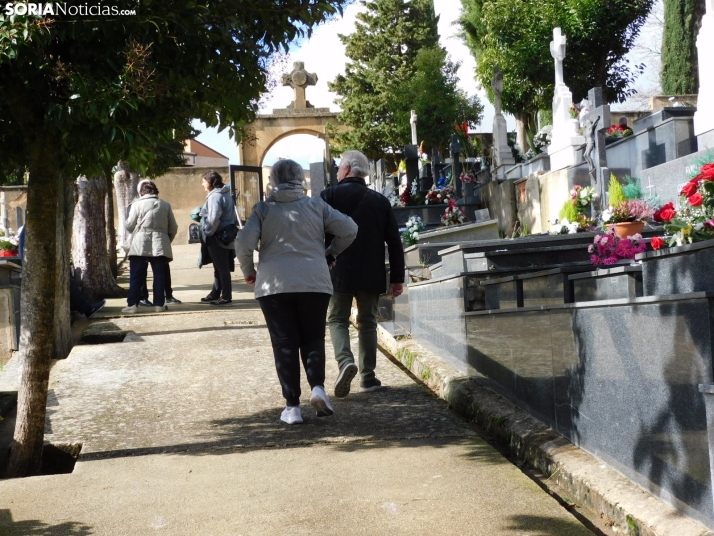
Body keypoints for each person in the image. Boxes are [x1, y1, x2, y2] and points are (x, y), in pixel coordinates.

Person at [236, 159, 357, 425]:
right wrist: (330, 253)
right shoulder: (316, 205)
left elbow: (243, 242)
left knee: (284, 343)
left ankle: (292, 407)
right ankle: (318, 389)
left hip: (274, 285)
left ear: (274, 180)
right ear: (299, 179)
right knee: (313, 337)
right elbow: (349, 229)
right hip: (314, 280)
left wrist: (248, 270)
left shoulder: (263, 210)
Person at [321, 149, 404, 397]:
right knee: (368, 322)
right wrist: (397, 278)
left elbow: (316, 233)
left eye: (338, 168)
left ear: (346, 169)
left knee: (337, 319)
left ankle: (345, 361)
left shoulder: (328, 196)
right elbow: (394, 241)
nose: (337, 172)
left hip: (337, 270)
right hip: (371, 272)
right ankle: (368, 378)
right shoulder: (380, 201)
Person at [122, 181, 178, 314]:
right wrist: (166, 240)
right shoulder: (165, 205)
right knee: (159, 275)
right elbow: (173, 228)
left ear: (141, 192)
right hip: (160, 242)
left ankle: (133, 305)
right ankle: (159, 304)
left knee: (136, 275)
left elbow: (129, 226)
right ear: (155, 192)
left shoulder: (136, 205)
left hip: (140, 243)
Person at [199, 170, 237, 306]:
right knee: (220, 266)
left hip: (217, 236)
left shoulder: (215, 196)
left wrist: (208, 231)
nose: (202, 184)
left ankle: (226, 296)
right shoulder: (225, 193)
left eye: (204, 181)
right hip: (226, 235)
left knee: (222, 267)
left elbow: (214, 216)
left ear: (210, 182)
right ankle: (215, 293)